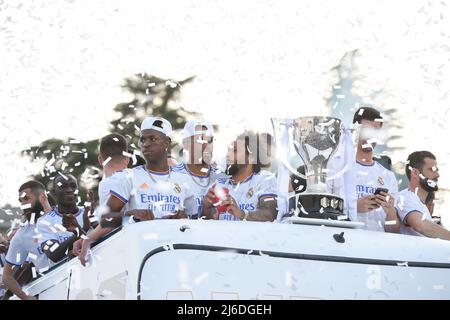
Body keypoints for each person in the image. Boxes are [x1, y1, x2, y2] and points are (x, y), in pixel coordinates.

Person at [75, 116, 195, 266]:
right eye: (143, 140)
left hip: (179, 256)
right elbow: (106, 218)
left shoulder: (184, 180)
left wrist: (183, 218)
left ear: (167, 142)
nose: (146, 144)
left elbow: (196, 219)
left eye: (153, 139)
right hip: (142, 258)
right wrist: (129, 214)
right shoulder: (129, 177)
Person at [327, 106, 400, 232]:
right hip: (343, 244)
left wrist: (391, 213)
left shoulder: (388, 176)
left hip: (378, 246)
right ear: (355, 130)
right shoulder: (334, 165)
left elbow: (394, 230)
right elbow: (322, 211)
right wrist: (354, 207)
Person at [202, 131, 277, 222]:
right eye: (228, 150)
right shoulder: (220, 183)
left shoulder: (264, 179)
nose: (228, 155)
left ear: (251, 157)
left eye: (235, 150)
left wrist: (241, 213)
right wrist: (206, 208)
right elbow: (209, 222)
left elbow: (270, 214)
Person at [2, 181, 52, 300]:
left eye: (26, 199)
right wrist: (25, 297)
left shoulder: (63, 217)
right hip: (51, 289)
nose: (23, 204)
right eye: (21, 201)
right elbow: (7, 276)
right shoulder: (22, 234)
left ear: (42, 197)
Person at [172, 120, 227, 218]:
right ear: (185, 144)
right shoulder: (172, 176)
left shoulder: (223, 178)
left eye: (209, 140)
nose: (206, 146)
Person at [396, 151, 450, 239]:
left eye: (437, 170)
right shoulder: (405, 197)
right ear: (415, 173)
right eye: (432, 169)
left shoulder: (419, 203)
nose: (437, 175)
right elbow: (420, 225)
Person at [37, 174, 90, 263]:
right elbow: (53, 254)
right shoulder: (45, 221)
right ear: (54, 192)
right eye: (63, 187)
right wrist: (78, 232)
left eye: (73, 186)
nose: (69, 190)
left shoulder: (88, 213)